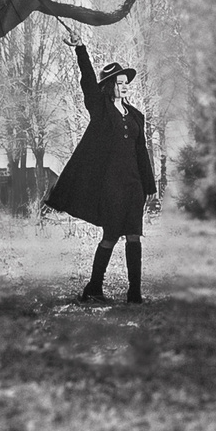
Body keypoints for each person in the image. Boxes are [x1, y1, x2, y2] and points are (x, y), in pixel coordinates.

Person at [43, 35, 156, 303]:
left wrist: (149, 187)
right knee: (111, 235)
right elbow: (88, 84)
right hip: (111, 185)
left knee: (134, 236)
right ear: (108, 87)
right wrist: (81, 50)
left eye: (126, 82)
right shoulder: (101, 110)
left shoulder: (136, 116)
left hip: (134, 185)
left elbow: (142, 152)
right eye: (119, 83)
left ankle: (134, 293)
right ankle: (94, 287)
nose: (124, 86)